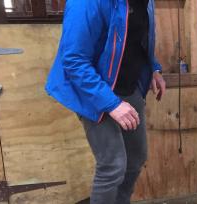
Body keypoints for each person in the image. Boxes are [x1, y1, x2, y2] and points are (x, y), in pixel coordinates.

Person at [45, 0, 165, 203]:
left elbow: (139, 37)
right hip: (91, 88)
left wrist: (153, 68)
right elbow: (74, 60)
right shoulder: (86, 3)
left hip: (128, 86)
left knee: (136, 158)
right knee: (113, 165)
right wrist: (112, 104)